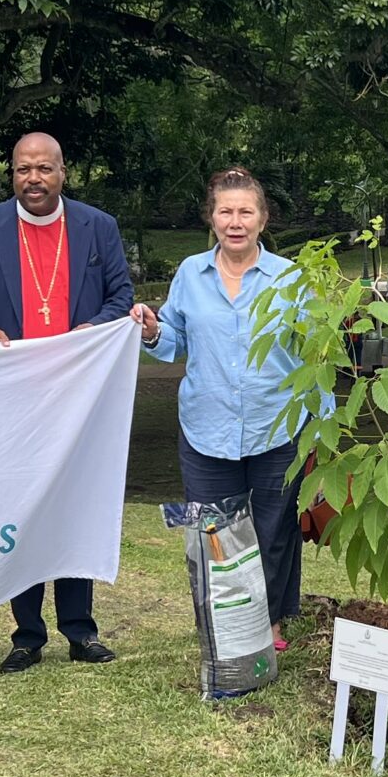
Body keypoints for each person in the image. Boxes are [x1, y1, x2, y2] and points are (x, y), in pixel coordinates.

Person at [0, 132, 136, 673]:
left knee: (74, 506)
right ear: (12, 175)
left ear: (63, 172)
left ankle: (81, 631)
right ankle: (27, 635)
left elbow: (120, 296)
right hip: (12, 397)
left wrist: (90, 329)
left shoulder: (99, 227)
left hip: (78, 395)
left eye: (44, 169)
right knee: (21, 507)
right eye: (23, 169)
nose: (34, 178)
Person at [132, 167, 307, 649]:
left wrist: (323, 427)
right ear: (211, 218)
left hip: (278, 425)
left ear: (262, 219)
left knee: (273, 530)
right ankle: (222, 624)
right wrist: (150, 330)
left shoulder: (290, 278)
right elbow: (173, 339)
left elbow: (316, 353)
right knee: (213, 531)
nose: (235, 221)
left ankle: (269, 622)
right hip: (206, 427)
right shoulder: (190, 273)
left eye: (245, 211)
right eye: (225, 211)